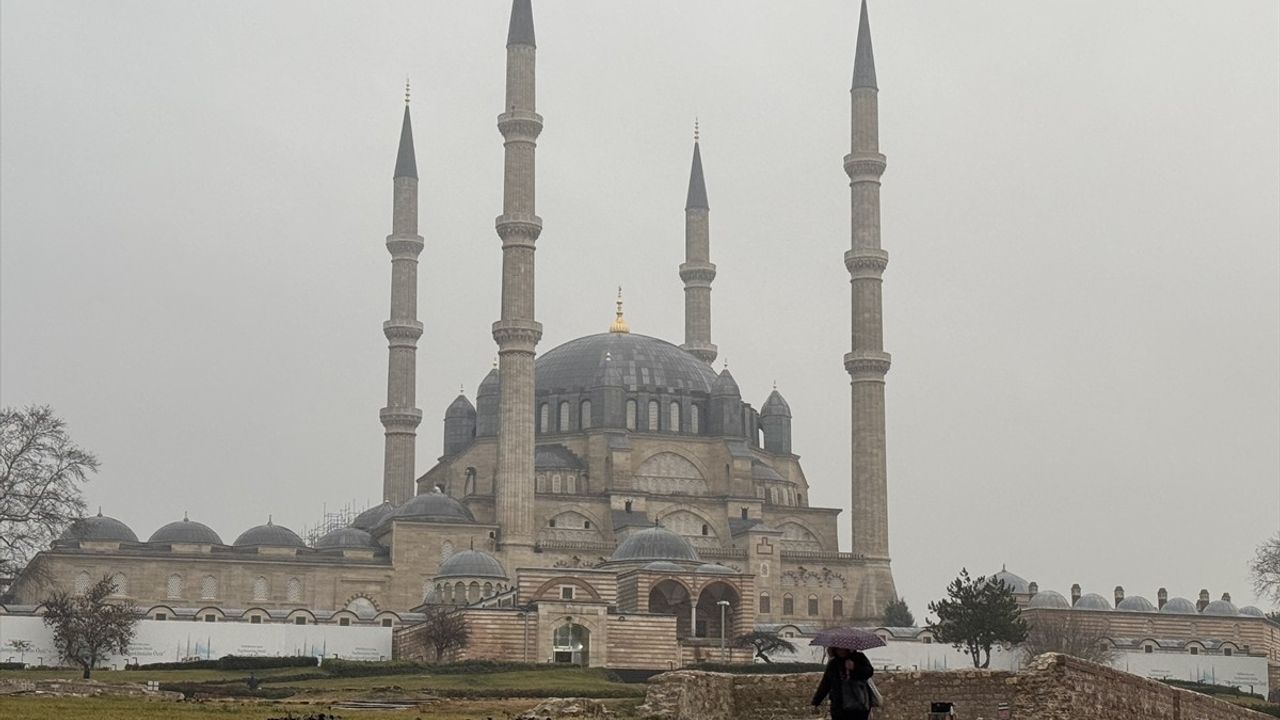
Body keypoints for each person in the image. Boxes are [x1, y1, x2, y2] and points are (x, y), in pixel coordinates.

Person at [811, 647, 875, 720]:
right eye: (838, 649)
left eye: (843, 649)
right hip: (839, 706)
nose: (841, 651)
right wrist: (816, 701)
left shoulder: (859, 658)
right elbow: (826, 683)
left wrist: (854, 667)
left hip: (858, 704)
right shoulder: (833, 664)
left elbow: (869, 672)